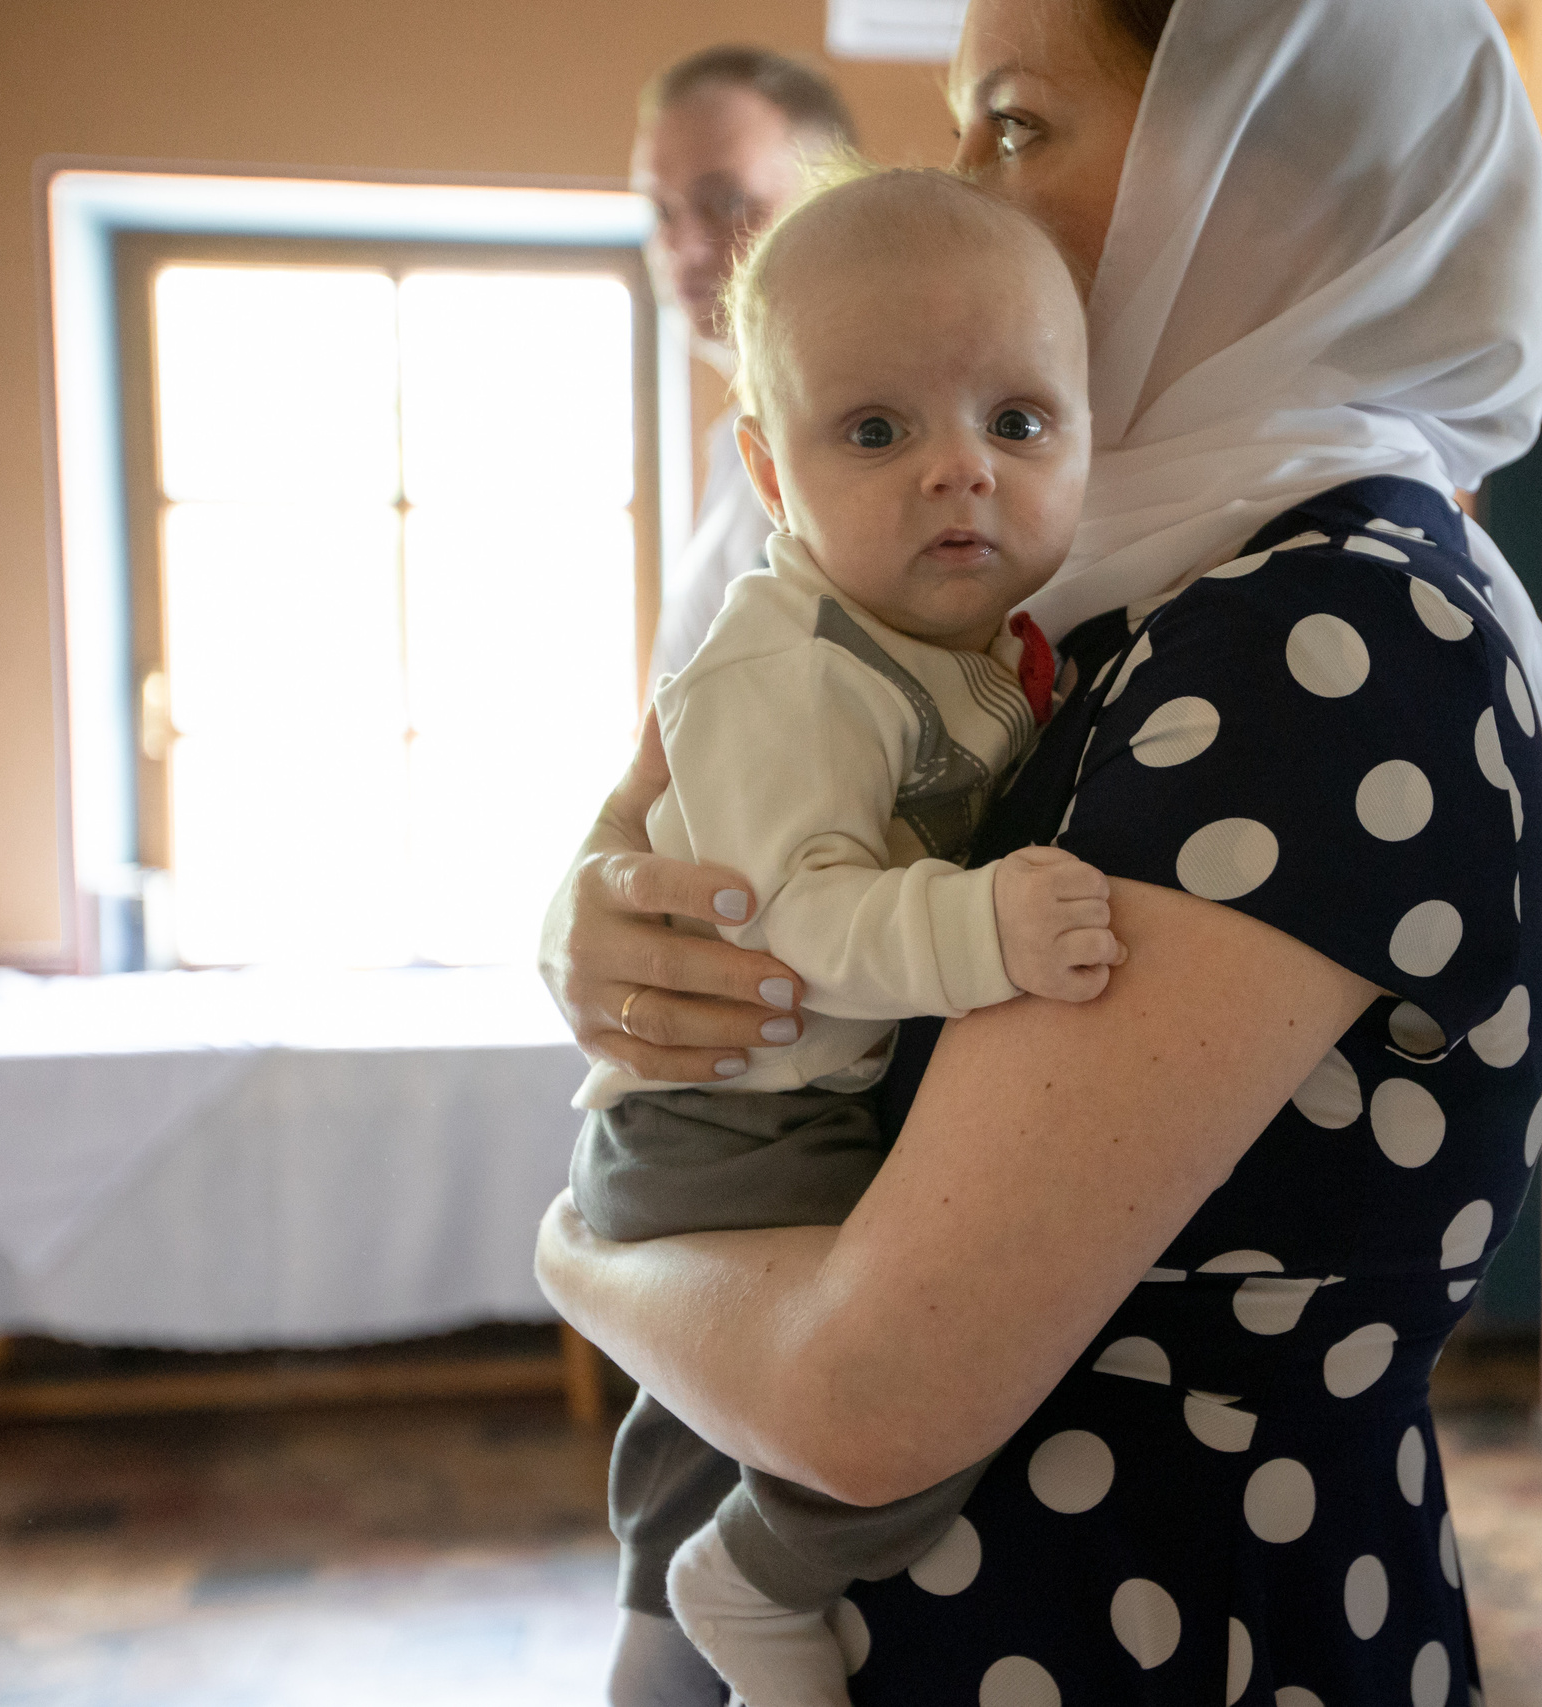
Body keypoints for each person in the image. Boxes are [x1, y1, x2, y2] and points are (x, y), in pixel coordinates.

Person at [537, 0, 1542, 1699]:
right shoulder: (1123, 585)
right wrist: (604, 915)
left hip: (1159, 1625)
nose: (966, 186)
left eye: (1019, 126)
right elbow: (734, 792)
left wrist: (583, 1253)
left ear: (1274, 165)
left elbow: (868, 1393)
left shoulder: (1326, 633)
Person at [576, 167, 1122, 1707]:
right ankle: (742, 1589)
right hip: (724, 1116)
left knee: (709, 1440)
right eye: (877, 431)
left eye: (1017, 423)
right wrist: (987, 923)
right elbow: (800, 918)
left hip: (781, 1101)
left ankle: (681, 1615)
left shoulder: (961, 647)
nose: (960, 471)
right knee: (889, 1396)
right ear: (767, 466)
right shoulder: (787, 667)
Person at [632, 46, 858, 681]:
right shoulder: (741, 445)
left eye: (726, 203)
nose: (683, 247)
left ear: (831, 203)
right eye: (661, 211)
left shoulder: (857, 449)